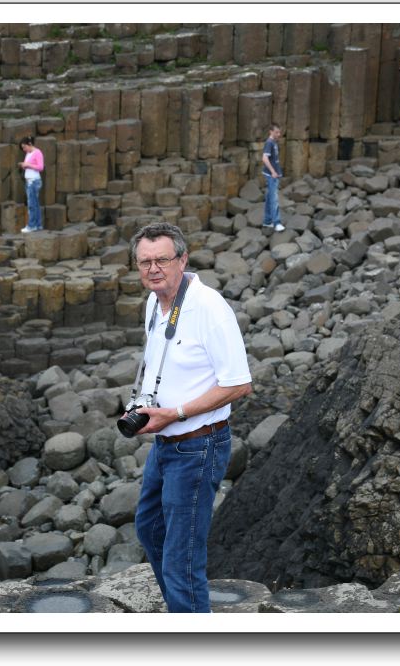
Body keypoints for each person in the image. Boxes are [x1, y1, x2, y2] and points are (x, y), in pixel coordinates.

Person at [128, 222, 253, 613]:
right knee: (149, 529)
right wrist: (147, 407)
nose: (153, 269)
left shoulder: (209, 308)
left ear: (183, 259)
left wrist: (175, 412)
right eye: (145, 262)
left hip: (199, 445)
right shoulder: (154, 302)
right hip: (166, 441)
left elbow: (238, 384)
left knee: (182, 558)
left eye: (162, 259)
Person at [261, 124, 286, 232]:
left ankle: (267, 221)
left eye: (279, 132)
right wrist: (273, 172)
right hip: (271, 175)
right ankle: (277, 223)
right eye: (276, 132)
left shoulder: (274, 142)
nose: (279, 134)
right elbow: (264, 158)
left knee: (269, 198)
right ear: (270, 132)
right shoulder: (269, 143)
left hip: (274, 174)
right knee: (274, 198)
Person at [18, 136, 44, 233]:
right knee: (35, 204)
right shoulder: (28, 153)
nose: (24, 149)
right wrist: (24, 165)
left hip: (34, 181)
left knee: (32, 205)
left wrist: (27, 165)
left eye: (24, 147)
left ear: (29, 144)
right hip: (29, 181)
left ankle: (31, 226)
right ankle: (38, 225)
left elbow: (40, 167)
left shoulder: (37, 152)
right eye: (23, 148)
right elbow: (30, 165)